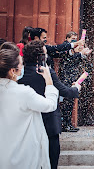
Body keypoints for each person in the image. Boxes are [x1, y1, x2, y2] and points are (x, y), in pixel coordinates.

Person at [18, 40, 81, 169]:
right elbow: (65, 91)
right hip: (49, 118)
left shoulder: (19, 74)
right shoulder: (46, 72)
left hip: (28, 119)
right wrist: (76, 88)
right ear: (40, 56)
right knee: (52, 155)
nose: (47, 56)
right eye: (45, 54)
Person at [0, 48, 59, 169]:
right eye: (21, 64)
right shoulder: (23, 92)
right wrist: (48, 79)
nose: (23, 67)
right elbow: (50, 105)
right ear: (12, 71)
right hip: (23, 154)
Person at [58, 31, 92, 132]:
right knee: (65, 103)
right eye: (72, 39)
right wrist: (80, 53)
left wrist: (83, 54)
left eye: (75, 39)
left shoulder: (74, 49)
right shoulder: (64, 47)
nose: (74, 42)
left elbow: (77, 61)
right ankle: (64, 125)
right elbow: (69, 59)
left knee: (70, 103)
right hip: (65, 79)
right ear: (67, 39)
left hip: (73, 79)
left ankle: (68, 124)